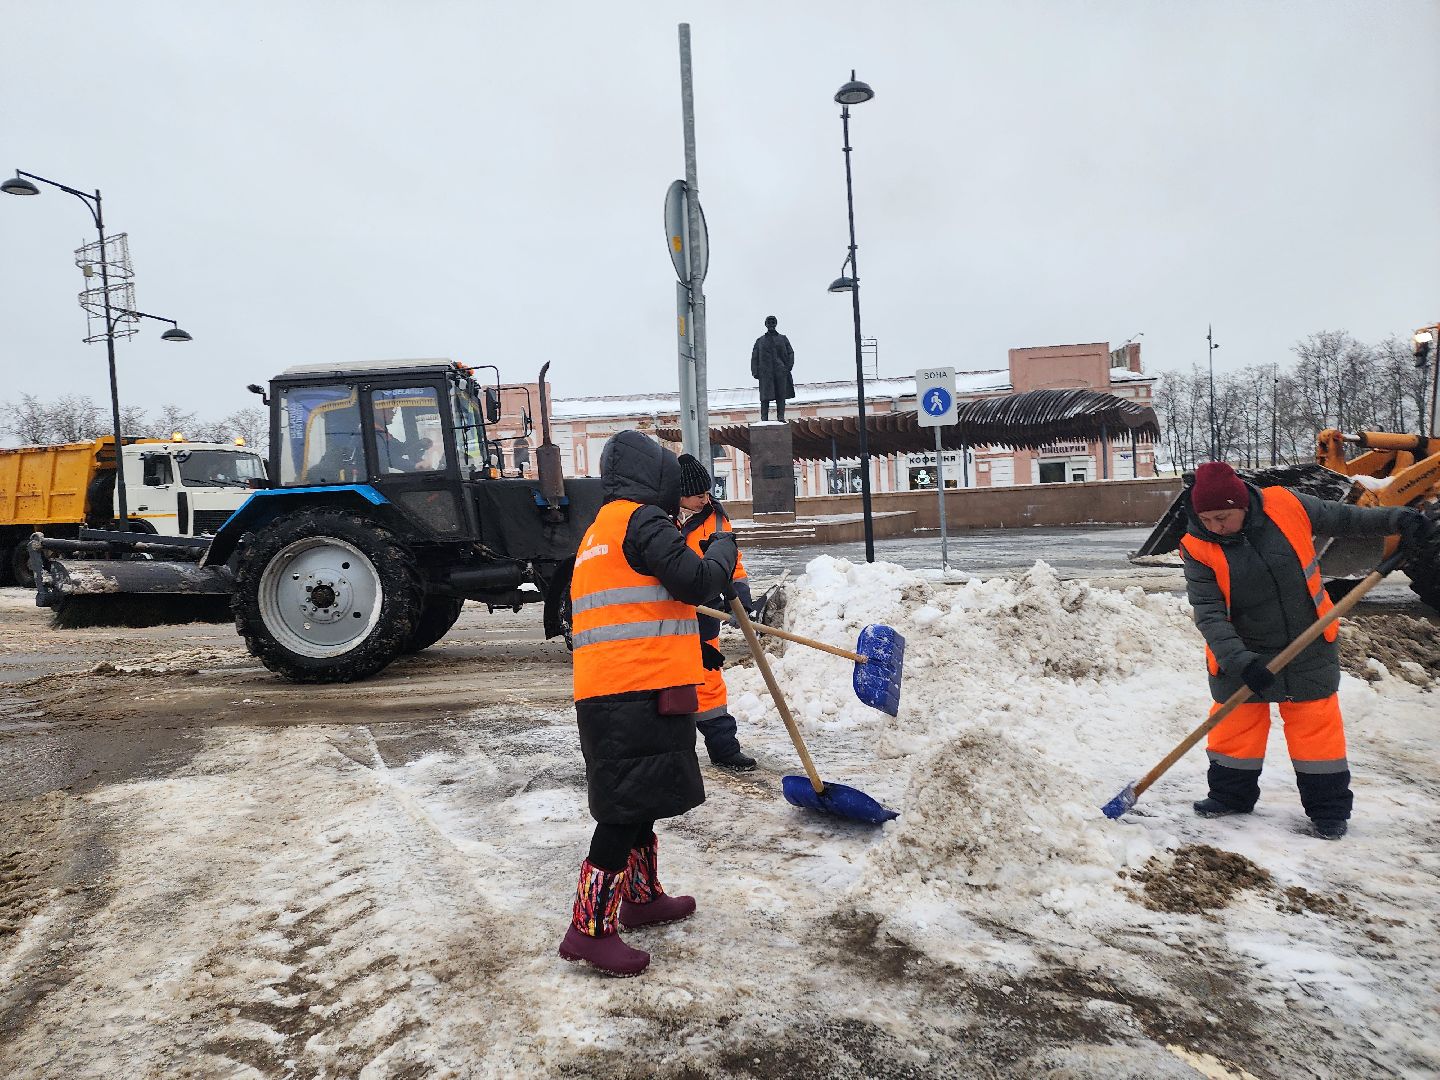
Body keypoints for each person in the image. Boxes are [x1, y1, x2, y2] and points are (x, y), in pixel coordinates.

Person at [558, 430, 739, 977]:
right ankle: (588, 929)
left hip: (623, 688)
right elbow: (698, 582)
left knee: (640, 799)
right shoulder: (641, 522)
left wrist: (693, 653)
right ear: (652, 477)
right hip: (632, 692)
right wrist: (723, 545)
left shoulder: (602, 529)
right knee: (622, 812)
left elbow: (644, 608)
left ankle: (640, 897)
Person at [1180, 461, 1434, 840]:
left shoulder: (1285, 504)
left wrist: (1398, 519)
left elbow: (1344, 518)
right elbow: (1210, 613)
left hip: (1308, 640)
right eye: (1207, 519)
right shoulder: (1196, 546)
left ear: (1242, 505)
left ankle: (1328, 812)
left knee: (1315, 730)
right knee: (1235, 727)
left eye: (1223, 517)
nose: (1216, 526)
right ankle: (1230, 797)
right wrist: (1241, 661)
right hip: (1241, 651)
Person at [676, 453, 759, 773]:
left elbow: (732, 565)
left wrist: (741, 603)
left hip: (705, 612)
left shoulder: (717, 520)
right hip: (667, 615)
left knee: (708, 681)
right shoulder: (659, 517)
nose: (705, 499)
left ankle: (724, 749)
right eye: (699, 495)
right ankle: (670, 755)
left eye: (708, 493)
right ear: (680, 493)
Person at [750, 315, 795, 422]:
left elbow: (790, 353)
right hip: (765, 372)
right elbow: (754, 357)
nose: (771, 324)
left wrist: (787, 368)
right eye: (769, 322)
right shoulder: (760, 341)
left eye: (773, 322)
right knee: (765, 397)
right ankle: (764, 419)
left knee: (781, 395)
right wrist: (755, 371)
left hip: (780, 371)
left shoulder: (783, 338)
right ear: (766, 324)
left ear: (776, 324)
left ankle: (781, 417)